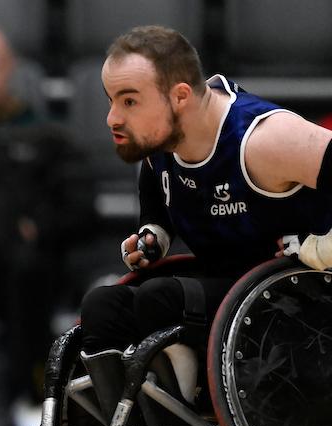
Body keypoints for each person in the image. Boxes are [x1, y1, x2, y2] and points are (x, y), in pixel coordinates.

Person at [79, 25, 332, 401]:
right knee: (101, 306)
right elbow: (154, 182)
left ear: (180, 95)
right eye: (111, 100)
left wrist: (323, 248)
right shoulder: (160, 141)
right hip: (230, 288)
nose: (112, 118)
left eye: (129, 101)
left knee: (160, 299)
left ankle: (177, 403)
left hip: (300, 302)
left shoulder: (265, 139)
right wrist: (156, 232)